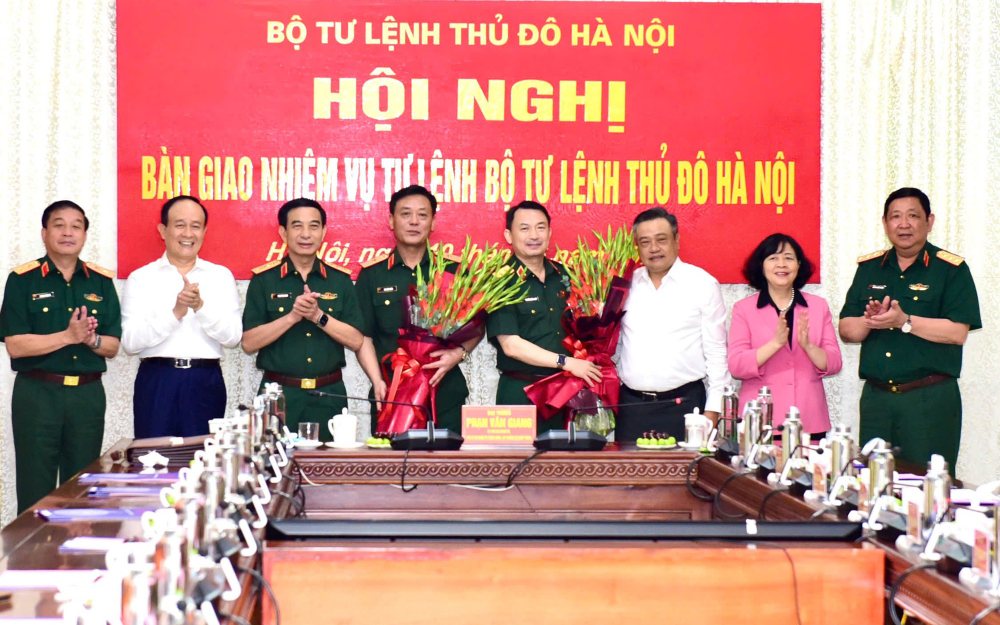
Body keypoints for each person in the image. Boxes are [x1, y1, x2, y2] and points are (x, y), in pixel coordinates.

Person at [839, 187, 980, 470]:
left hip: (928, 400)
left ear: (929, 221)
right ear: (885, 223)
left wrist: (904, 321)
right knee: (873, 482)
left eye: (913, 216)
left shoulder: (951, 269)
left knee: (928, 485)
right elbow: (847, 330)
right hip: (877, 400)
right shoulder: (869, 268)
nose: (904, 224)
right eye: (896, 216)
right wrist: (871, 320)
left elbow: (957, 333)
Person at [0, 200, 121, 513]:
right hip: (37, 394)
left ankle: (78, 543)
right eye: (59, 225)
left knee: (82, 488)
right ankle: (31, 545)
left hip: (87, 397)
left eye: (76, 226)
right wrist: (68, 336)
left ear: (84, 234)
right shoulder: (22, 280)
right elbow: (16, 345)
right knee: (35, 488)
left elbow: (112, 346)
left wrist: (91, 339)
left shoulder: (101, 281)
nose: (68, 232)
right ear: (44, 233)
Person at [355, 185, 480, 434]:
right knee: (388, 459)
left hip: (444, 390)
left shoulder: (454, 272)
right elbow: (363, 337)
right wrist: (377, 380)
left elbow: (477, 326)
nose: (414, 221)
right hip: (391, 391)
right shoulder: (372, 275)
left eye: (422, 215)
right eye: (406, 214)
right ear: (391, 220)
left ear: (433, 223)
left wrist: (458, 354)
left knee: (447, 459)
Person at [242, 198, 364, 441]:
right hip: (277, 396)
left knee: (327, 462)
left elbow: (356, 340)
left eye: (314, 226)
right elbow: (248, 343)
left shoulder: (340, 280)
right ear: (283, 232)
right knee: (273, 462)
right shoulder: (264, 280)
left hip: (329, 395)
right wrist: (293, 317)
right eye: (297, 226)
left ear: (324, 232)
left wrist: (318, 316)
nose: (306, 234)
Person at [121, 196, 242, 438]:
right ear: (162, 230)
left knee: (204, 457)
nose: (188, 234)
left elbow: (233, 337)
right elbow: (130, 343)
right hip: (157, 381)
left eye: (195, 226)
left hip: (204, 381)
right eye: (179, 225)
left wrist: (199, 307)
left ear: (204, 231)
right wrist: (175, 313)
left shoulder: (220, 276)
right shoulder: (141, 278)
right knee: (153, 457)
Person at [486, 200, 602, 434]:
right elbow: (511, 346)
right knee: (518, 458)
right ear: (509, 235)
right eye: (524, 228)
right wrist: (567, 362)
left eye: (540, 227)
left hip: (567, 391)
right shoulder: (499, 281)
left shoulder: (566, 276)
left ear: (549, 233)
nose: (534, 235)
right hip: (521, 393)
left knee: (568, 457)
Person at [615, 207, 729, 442]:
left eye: (661, 240)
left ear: (676, 240)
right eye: (645, 242)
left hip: (686, 407)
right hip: (631, 408)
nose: (653, 248)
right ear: (637, 247)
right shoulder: (623, 285)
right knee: (627, 467)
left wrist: (713, 411)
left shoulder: (702, 284)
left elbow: (717, 351)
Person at [727, 233, 842, 438]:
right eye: (773, 258)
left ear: (798, 265)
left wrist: (808, 347)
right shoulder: (743, 309)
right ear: (761, 266)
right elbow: (736, 366)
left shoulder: (818, 306)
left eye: (788, 258)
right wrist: (775, 344)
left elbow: (834, 363)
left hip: (809, 420)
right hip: (760, 420)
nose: (782, 264)